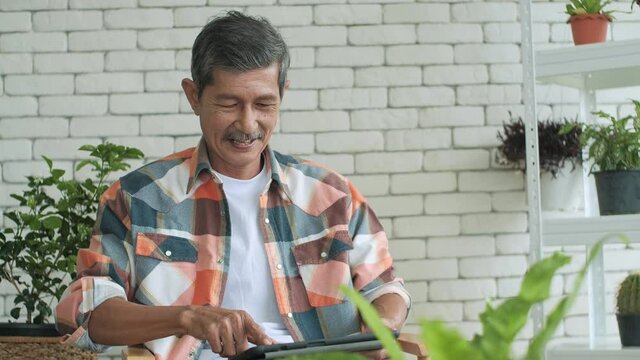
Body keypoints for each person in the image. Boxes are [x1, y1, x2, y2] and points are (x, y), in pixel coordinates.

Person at [55, 11, 410, 360]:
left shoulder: (333, 195)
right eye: (228, 103)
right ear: (194, 96)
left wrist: (381, 328)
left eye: (264, 104)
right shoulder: (137, 197)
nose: (247, 123)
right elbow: (88, 311)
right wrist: (186, 317)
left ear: (282, 95)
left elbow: (387, 288)